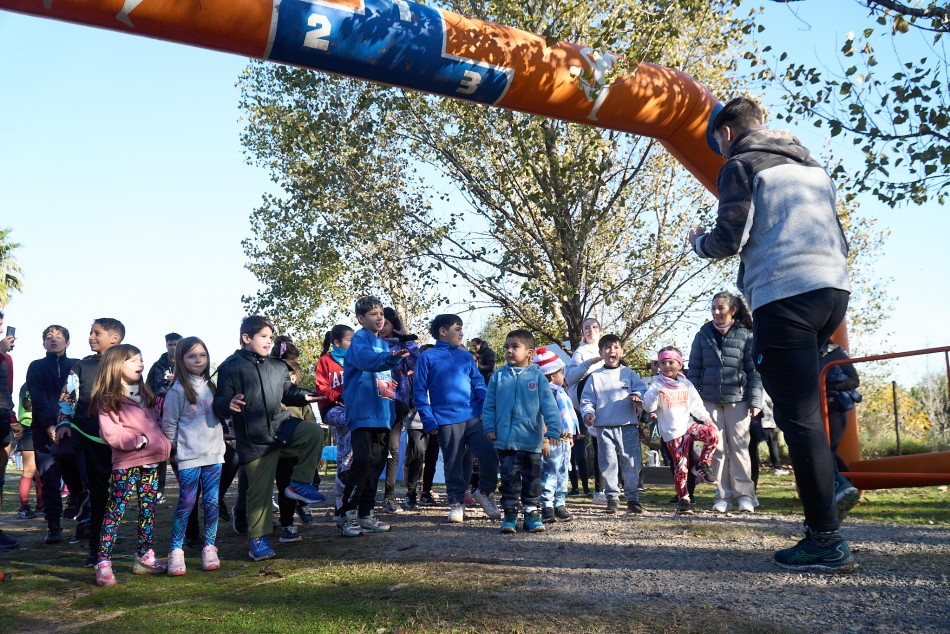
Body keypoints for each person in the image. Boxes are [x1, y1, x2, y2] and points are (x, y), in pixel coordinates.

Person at [689, 96, 855, 572]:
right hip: (832, 291)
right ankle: (833, 486)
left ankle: (826, 536)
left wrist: (697, 240)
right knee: (804, 408)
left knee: (798, 416)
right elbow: (839, 235)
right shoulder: (811, 166)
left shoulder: (741, 164)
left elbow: (729, 238)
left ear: (725, 133)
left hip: (785, 294)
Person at [213, 315, 324, 561]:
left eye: (270, 337)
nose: (268, 341)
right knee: (259, 493)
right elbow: (219, 401)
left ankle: (300, 484)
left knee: (313, 432)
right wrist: (226, 404)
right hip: (253, 438)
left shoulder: (277, 366)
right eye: (263, 336)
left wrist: (306, 396)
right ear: (246, 338)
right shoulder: (231, 366)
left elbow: (289, 392)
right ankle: (258, 541)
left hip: (280, 426)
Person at [91, 344, 173, 587]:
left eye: (141, 359)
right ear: (116, 366)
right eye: (133, 360)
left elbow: (156, 423)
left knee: (148, 510)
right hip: (126, 463)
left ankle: (145, 557)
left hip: (152, 462)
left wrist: (163, 444)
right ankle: (103, 561)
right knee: (116, 510)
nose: (140, 364)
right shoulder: (109, 399)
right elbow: (110, 433)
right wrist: (138, 441)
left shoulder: (146, 394)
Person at [414, 314, 500, 524]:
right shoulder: (427, 357)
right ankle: (456, 503)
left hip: (472, 417)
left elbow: (478, 383)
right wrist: (429, 419)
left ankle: (484, 492)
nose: (461, 333)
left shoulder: (465, 357)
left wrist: (484, 408)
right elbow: (418, 391)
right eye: (457, 328)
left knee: (491, 454)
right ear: (442, 332)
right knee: (453, 463)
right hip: (445, 420)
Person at [55, 317, 126, 566]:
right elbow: (67, 395)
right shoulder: (81, 366)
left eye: (97, 333)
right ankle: (76, 492)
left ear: (114, 338)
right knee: (62, 452)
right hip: (78, 427)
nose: (91, 337)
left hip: (106, 437)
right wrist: (63, 422)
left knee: (100, 494)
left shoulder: (124, 365)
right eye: (90, 333)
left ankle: (96, 549)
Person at [338, 296, 408, 537]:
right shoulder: (360, 340)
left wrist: (391, 396)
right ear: (360, 318)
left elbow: (384, 378)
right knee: (362, 461)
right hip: (363, 413)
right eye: (373, 314)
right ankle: (346, 514)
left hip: (382, 414)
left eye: (381, 314)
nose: (380, 318)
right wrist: (391, 358)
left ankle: (366, 514)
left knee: (377, 463)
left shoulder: (383, 343)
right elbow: (370, 362)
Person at [687, 292, 762, 514]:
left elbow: (754, 371)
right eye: (713, 308)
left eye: (720, 308)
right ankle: (721, 496)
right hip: (709, 400)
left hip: (739, 399)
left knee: (739, 449)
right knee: (716, 448)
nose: (716, 312)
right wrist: (692, 403)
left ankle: (746, 495)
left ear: (733, 310)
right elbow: (694, 369)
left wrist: (755, 400)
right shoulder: (703, 334)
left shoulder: (746, 335)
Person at [483, 331, 561, 534]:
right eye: (507, 346)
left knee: (532, 480)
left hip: (531, 441)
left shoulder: (538, 378)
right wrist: (490, 427)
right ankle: (510, 514)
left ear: (530, 353)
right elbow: (489, 405)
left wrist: (553, 429)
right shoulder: (498, 376)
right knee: (509, 479)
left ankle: (531, 514)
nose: (509, 350)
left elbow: (549, 406)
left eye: (514, 346)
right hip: (506, 442)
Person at [162, 337, 226, 575]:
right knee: (187, 502)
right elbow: (169, 424)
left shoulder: (212, 386)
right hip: (188, 457)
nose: (198, 360)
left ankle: (210, 546)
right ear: (181, 359)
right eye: (191, 356)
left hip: (214, 455)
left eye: (202, 355)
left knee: (211, 503)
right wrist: (173, 451)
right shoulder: (177, 390)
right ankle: (175, 550)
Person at [641, 347, 720, 516]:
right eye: (663, 363)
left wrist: (706, 419)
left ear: (679, 364)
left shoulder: (686, 384)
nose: (667, 366)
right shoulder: (657, 385)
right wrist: (655, 393)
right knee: (681, 467)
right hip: (672, 433)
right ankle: (684, 501)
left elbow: (696, 406)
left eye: (671, 362)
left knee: (713, 433)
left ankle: (703, 463)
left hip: (688, 426)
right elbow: (648, 407)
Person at [580, 334, 646, 515]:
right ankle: (612, 499)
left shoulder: (629, 373)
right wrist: (588, 413)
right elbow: (587, 400)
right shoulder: (594, 377)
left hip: (628, 425)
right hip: (604, 427)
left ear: (621, 351)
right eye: (607, 348)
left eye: (616, 347)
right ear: (601, 352)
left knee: (631, 462)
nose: (612, 351)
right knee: (608, 463)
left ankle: (633, 498)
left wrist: (637, 397)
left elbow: (642, 390)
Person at [25, 324, 79, 545]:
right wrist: (49, 426)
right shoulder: (36, 367)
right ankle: (53, 525)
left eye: (58, 337)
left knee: (80, 476)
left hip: (73, 430)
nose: (53, 340)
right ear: (43, 343)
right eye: (49, 337)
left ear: (67, 342)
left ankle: (84, 522)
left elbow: (78, 397)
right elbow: (37, 398)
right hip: (43, 431)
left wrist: (69, 425)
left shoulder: (76, 366)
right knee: (49, 478)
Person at [379, 306, 420, 514]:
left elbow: (417, 361)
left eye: (387, 323)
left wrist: (406, 337)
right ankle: (361, 498)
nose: (382, 326)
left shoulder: (403, 346)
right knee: (375, 451)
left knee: (393, 450)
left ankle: (388, 498)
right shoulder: (372, 344)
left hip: (398, 404)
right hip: (376, 406)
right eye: (380, 322)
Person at [314, 324, 353, 525]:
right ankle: (344, 479)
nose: (353, 344)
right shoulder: (325, 361)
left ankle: (340, 506)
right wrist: (340, 396)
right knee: (352, 420)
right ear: (337, 342)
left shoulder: (355, 360)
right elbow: (321, 388)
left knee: (344, 457)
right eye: (349, 340)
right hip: (331, 410)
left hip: (353, 411)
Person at [532, 347, 576, 524]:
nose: (563, 377)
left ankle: (560, 503)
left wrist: (571, 435)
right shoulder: (546, 393)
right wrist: (544, 440)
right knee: (549, 473)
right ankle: (547, 505)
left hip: (564, 442)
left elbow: (568, 416)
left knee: (562, 472)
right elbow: (542, 417)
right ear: (551, 375)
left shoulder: (561, 392)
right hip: (552, 440)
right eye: (561, 373)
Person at [819, 342, 862, 517]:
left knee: (828, 449)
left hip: (835, 407)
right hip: (814, 408)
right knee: (821, 450)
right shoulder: (804, 350)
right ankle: (840, 491)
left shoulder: (835, 353)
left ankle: (847, 487)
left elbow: (854, 380)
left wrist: (829, 386)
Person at [565, 318, 604, 501]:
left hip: (607, 404)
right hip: (585, 405)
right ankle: (598, 490)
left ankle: (608, 487)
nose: (590, 330)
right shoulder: (579, 353)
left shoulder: (608, 349)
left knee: (607, 447)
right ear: (582, 333)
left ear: (600, 330)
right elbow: (570, 377)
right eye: (586, 328)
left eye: (594, 327)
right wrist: (588, 364)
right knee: (593, 446)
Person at [147, 332, 181, 506]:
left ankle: (184, 486)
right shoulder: (157, 366)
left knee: (177, 449)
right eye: (170, 344)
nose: (173, 348)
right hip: (159, 408)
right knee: (161, 450)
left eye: (176, 344)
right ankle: (158, 490)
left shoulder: (186, 363)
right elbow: (148, 387)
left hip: (180, 410)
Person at [13, 384, 42, 519]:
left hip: (42, 427)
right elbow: (26, 404)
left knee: (41, 470)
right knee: (29, 470)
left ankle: (42, 505)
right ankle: (24, 507)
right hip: (28, 428)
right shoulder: (28, 386)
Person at [749, 395, 788, 492]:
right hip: (764, 422)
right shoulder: (763, 389)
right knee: (771, 446)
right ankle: (776, 466)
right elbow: (770, 402)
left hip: (761, 421)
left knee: (755, 449)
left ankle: (776, 466)